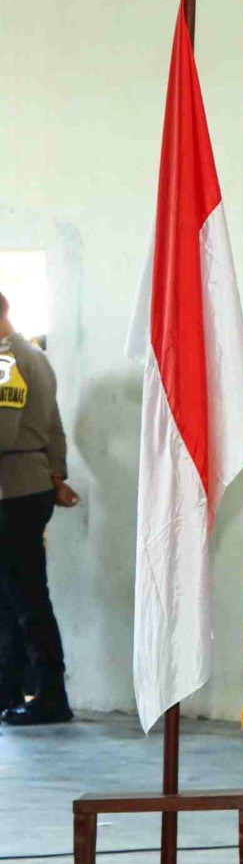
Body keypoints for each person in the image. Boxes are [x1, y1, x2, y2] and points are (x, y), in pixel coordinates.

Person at [0, 292, 79, 726]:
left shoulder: (6, 361)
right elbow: (55, 425)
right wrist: (56, 473)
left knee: (25, 598)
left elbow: (3, 432)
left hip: (11, 488)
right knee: (16, 596)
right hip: (30, 485)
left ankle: (49, 696)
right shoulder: (35, 357)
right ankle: (12, 689)